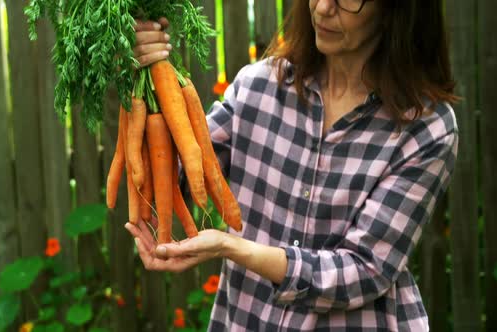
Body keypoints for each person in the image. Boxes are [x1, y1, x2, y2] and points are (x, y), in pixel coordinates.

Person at [125, 0, 459, 330]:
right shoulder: (259, 86)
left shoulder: (425, 128)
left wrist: (235, 249)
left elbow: (367, 269)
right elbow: (178, 174)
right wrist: (144, 70)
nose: (324, 8)